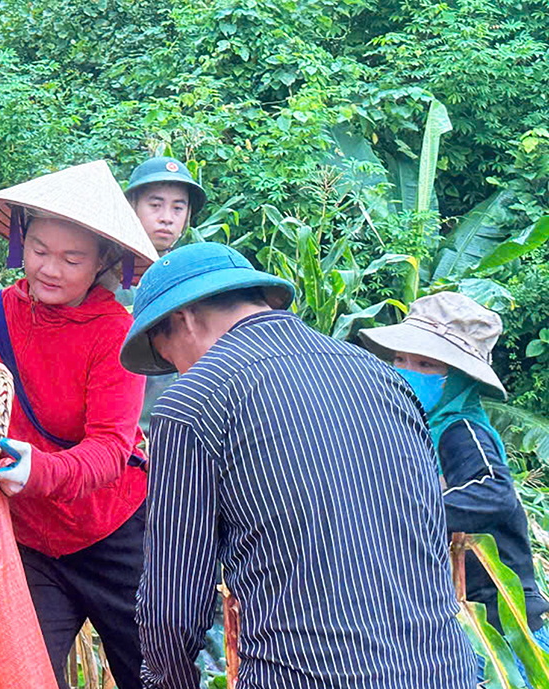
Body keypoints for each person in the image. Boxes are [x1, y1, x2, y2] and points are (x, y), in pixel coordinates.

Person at [120, 241, 475, 689]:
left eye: (169, 357)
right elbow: (427, 529)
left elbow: (171, 607)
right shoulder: (380, 375)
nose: (180, 370)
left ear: (183, 320)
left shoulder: (193, 401)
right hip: (443, 668)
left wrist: (168, 682)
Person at [0, 160, 158, 689]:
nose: (50, 268)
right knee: (20, 677)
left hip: (113, 535)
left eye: (72, 258)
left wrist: (40, 471)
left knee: (155, 674)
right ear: (20, 239)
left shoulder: (116, 333)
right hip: (27, 540)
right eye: (40, 250)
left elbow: (112, 447)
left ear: (104, 263)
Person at [360, 291, 549, 683]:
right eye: (399, 360)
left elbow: (493, 489)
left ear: (457, 379)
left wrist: (402, 516)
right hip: (462, 624)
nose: (405, 369)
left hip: (503, 628)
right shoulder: (417, 430)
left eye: (425, 364)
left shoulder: (461, 428)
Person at [115, 156, 207, 436]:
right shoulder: (102, 272)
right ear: (133, 207)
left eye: (178, 208)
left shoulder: (196, 279)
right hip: (114, 432)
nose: (167, 217)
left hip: (173, 433)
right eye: (155, 205)